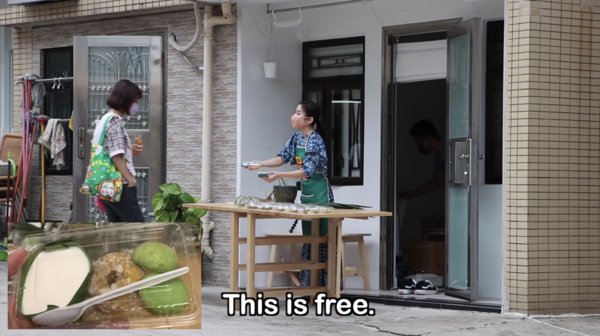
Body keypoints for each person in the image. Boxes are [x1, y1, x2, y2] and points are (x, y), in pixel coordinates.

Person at [245, 101, 342, 290]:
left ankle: (326, 289)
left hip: (321, 194)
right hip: (307, 193)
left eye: (298, 113)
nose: (294, 116)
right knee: (309, 239)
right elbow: (282, 157)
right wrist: (260, 164)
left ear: (309, 119)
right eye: (295, 112)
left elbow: (306, 171)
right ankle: (309, 287)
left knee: (322, 240)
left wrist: (280, 175)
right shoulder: (297, 138)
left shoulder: (315, 140)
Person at [95, 79, 145, 222]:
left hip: (104, 186)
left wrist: (131, 149)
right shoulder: (114, 121)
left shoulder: (104, 120)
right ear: (127, 100)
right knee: (138, 229)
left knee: (117, 232)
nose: (136, 105)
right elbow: (116, 156)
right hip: (120, 186)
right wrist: (130, 181)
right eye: (135, 101)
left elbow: (108, 150)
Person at [398, 119, 445, 200]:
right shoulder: (439, 157)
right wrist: (411, 195)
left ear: (427, 136)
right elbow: (437, 181)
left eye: (417, 141)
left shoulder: (450, 145)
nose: (418, 145)